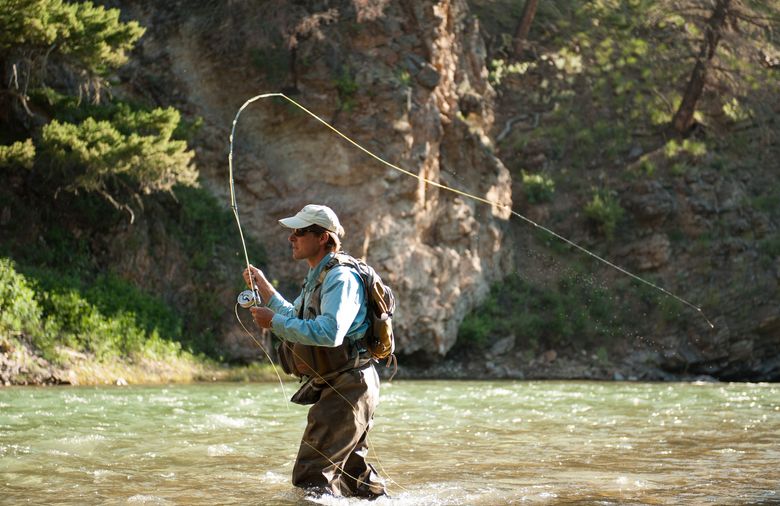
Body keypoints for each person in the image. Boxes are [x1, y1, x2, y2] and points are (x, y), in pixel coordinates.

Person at [242, 204, 387, 499]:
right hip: (344, 385)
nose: (291, 238)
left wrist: (274, 323)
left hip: (349, 387)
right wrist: (266, 290)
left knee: (312, 476)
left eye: (299, 232)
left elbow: (329, 332)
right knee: (353, 478)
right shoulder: (319, 276)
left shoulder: (340, 279)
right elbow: (296, 317)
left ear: (322, 238)